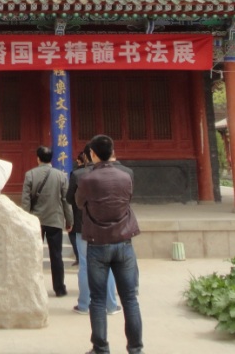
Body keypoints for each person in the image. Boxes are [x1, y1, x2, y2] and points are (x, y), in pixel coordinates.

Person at [76, 134, 143, 354]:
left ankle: (100, 348)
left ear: (92, 154)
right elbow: (128, 199)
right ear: (112, 151)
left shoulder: (87, 179)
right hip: (123, 241)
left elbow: (79, 202)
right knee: (130, 299)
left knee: (97, 299)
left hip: (98, 242)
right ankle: (136, 348)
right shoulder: (126, 176)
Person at [68, 146, 120, 316]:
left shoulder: (78, 175)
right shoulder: (117, 174)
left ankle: (84, 304)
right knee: (108, 265)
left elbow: (70, 198)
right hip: (106, 226)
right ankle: (111, 305)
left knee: (84, 265)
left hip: (83, 226)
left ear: (89, 155)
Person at [21, 145, 73, 298]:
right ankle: (59, 288)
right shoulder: (61, 176)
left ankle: (33, 287)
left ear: (38, 158)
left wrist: (25, 219)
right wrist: (69, 220)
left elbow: (25, 200)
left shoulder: (30, 175)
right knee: (56, 256)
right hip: (55, 220)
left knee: (33, 254)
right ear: (51, 159)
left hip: (36, 221)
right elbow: (66, 201)